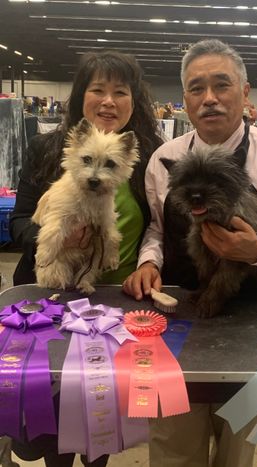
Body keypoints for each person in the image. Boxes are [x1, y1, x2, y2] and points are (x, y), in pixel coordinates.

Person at [123, 39, 257, 467]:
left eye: (221, 85)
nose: (209, 98)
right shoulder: (163, 159)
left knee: (237, 448)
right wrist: (149, 260)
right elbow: (157, 227)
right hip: (179, 322)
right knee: (173, 449)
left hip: (254, 325)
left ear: (244, 92)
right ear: (184, 99)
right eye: (196, 88)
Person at [10, 49, 163, 467]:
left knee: (101, 420)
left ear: (135, 101)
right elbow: (19, 222)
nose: (109, 101)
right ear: (81, 97)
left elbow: (161, 228)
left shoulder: (150, 157)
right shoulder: (46, 148)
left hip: (118, 307)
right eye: (98, 90)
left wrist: (151, 262)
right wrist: (56, 236)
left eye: (120, 91)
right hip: (51, 298)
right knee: (54, 421)